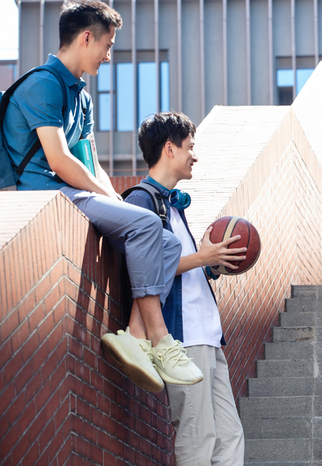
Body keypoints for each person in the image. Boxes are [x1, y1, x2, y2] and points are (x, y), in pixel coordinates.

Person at [2, 1, 202, 392]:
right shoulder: (44, 83)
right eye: (107, 46)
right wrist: (115, 204)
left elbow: (92, 165)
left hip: (76, 193)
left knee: (163, 241)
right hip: (49, 195)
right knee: (146, 224)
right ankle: (159, 340)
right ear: (86, 37)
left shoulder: (83, 98)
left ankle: (133, 336)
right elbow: (60, 160)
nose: (109, 57)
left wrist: (119, 203)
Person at [124, 112, 245, 465]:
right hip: (182, 338)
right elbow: (142, 272)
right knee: (198, 433)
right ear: (169, 149)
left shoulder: (172, 205)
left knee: (230, 435)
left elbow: (178, 271)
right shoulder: (142, 201)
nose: (195, 155)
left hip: (208, 335)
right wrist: (200, 256)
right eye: (190, 147)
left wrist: (210, 264)